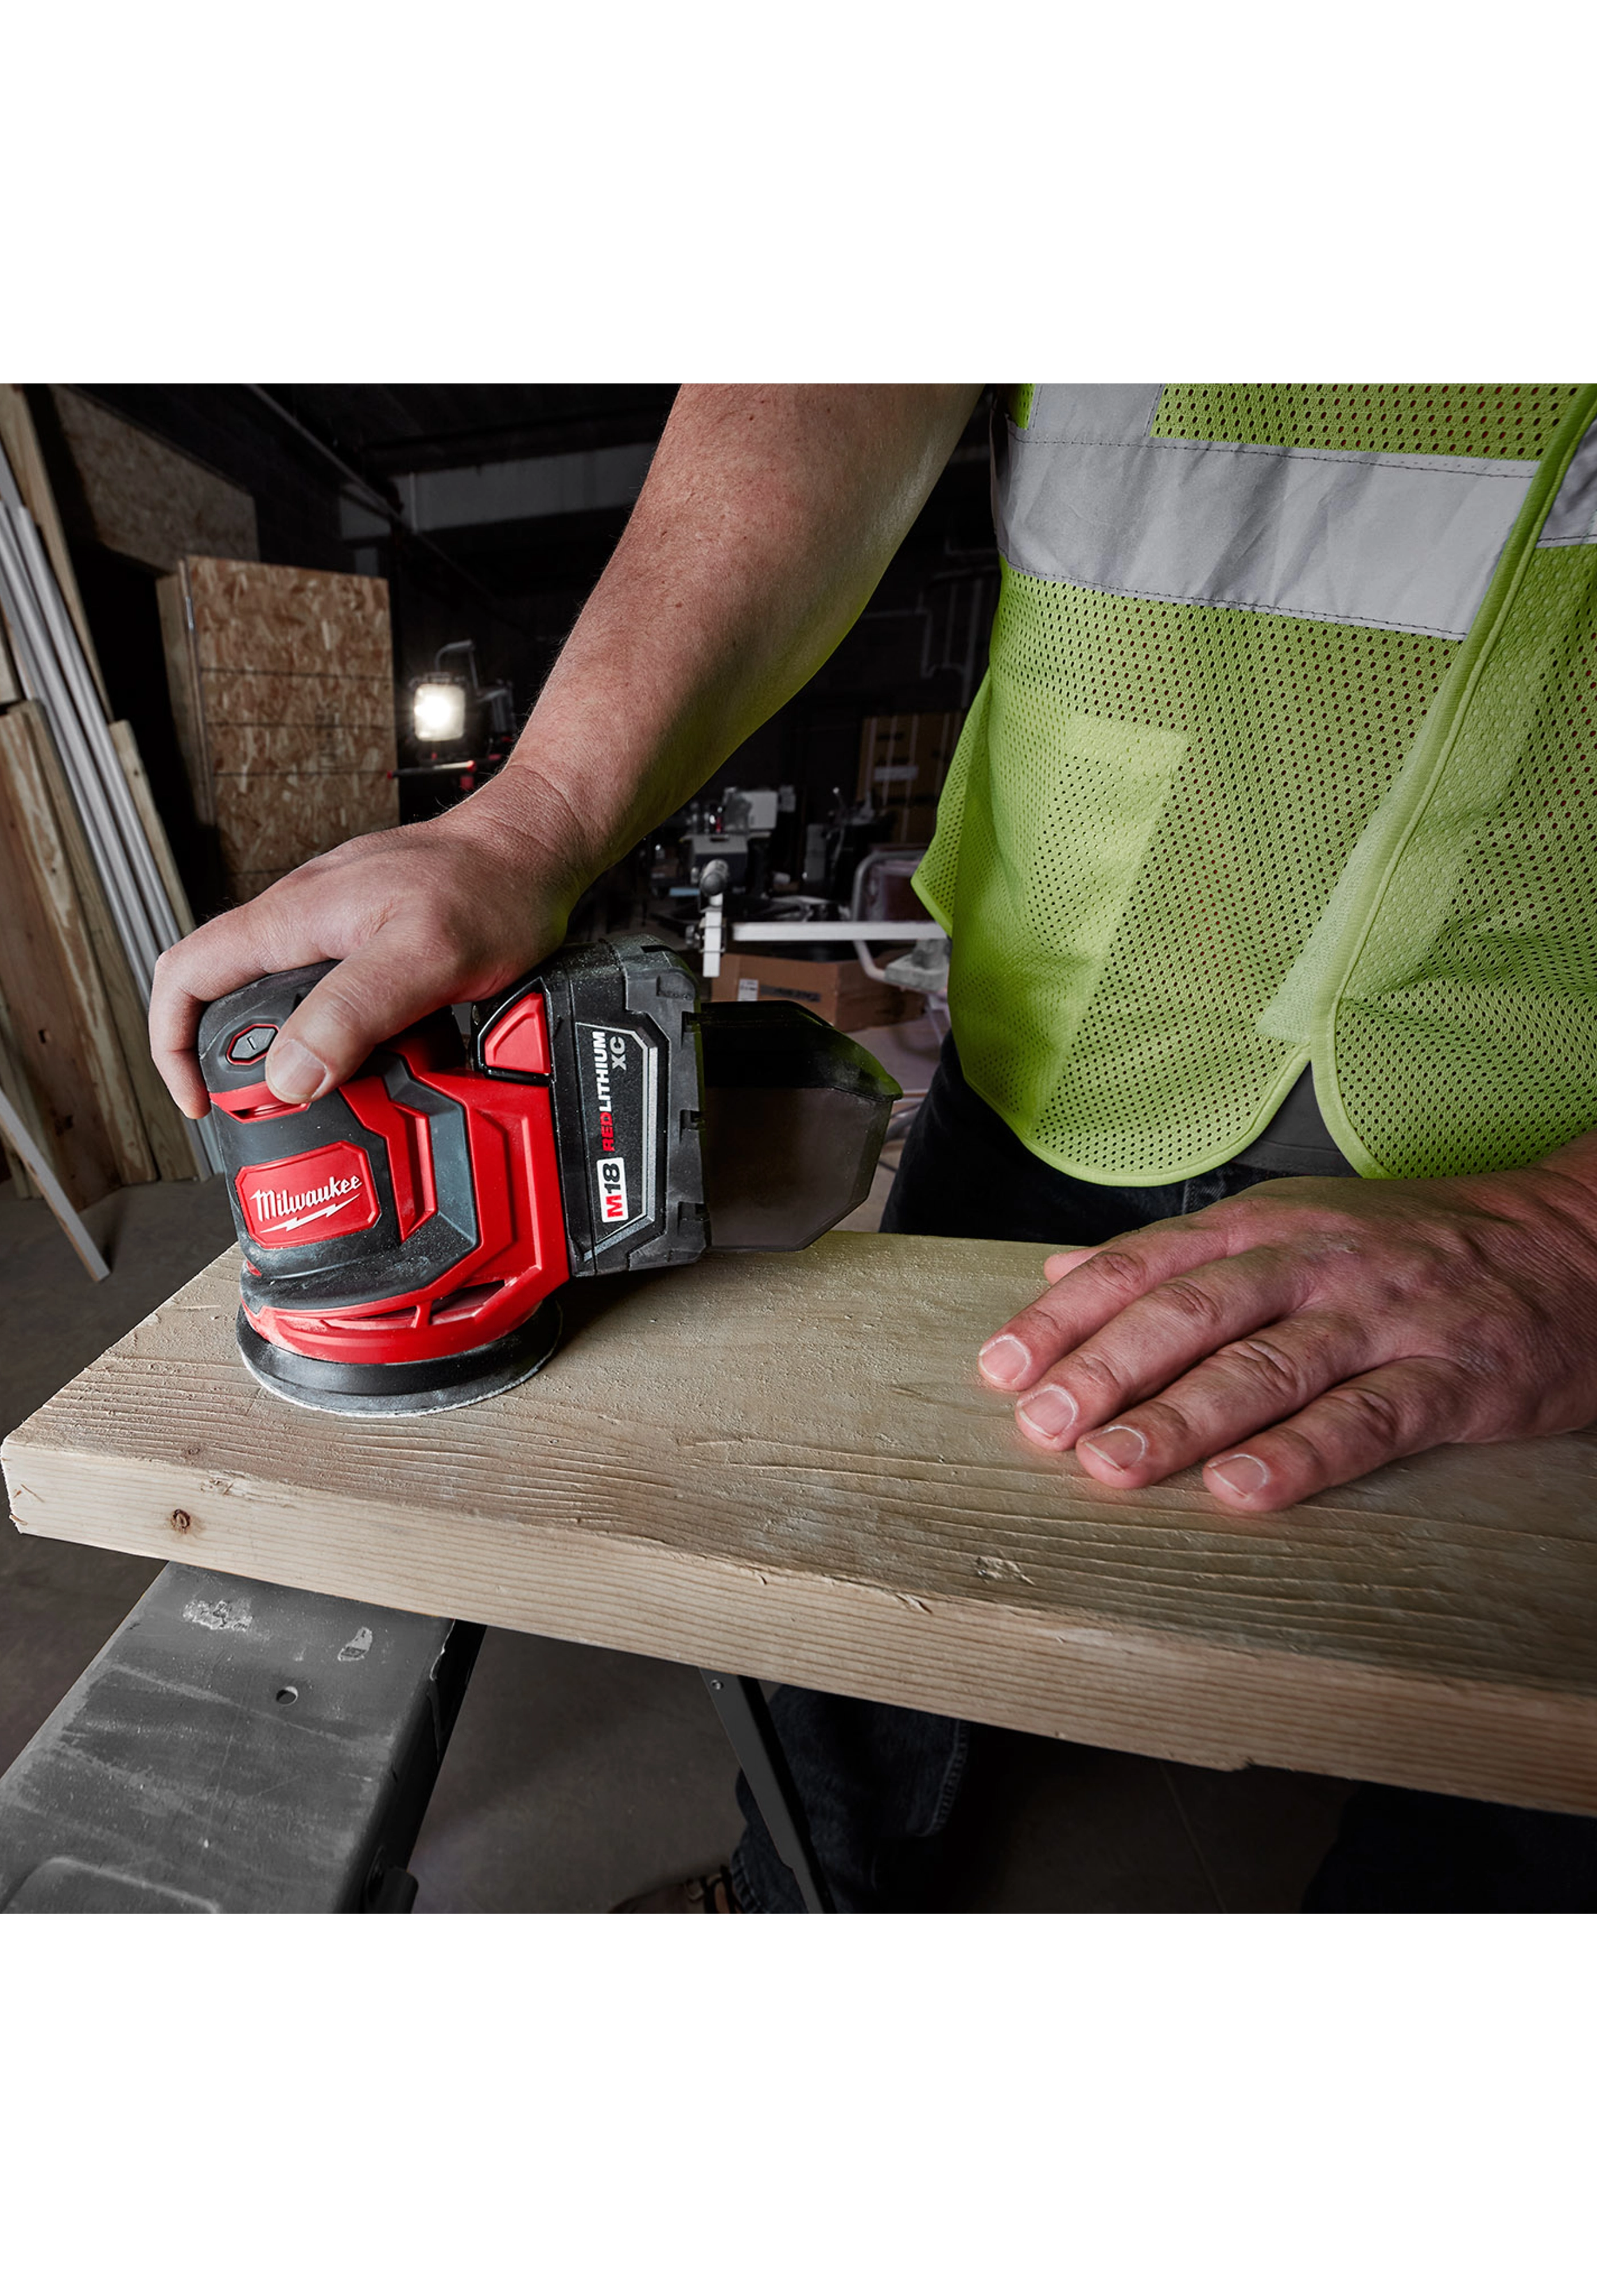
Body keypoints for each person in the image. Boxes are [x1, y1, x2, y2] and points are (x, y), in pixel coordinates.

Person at [151, 382, 1597, 1915]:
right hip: (1072, 1030)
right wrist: (537, 814)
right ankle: (804, 1893)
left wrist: (1576, 1230)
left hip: (1541, 1117)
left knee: (1539, 1756)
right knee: (859, 1588)